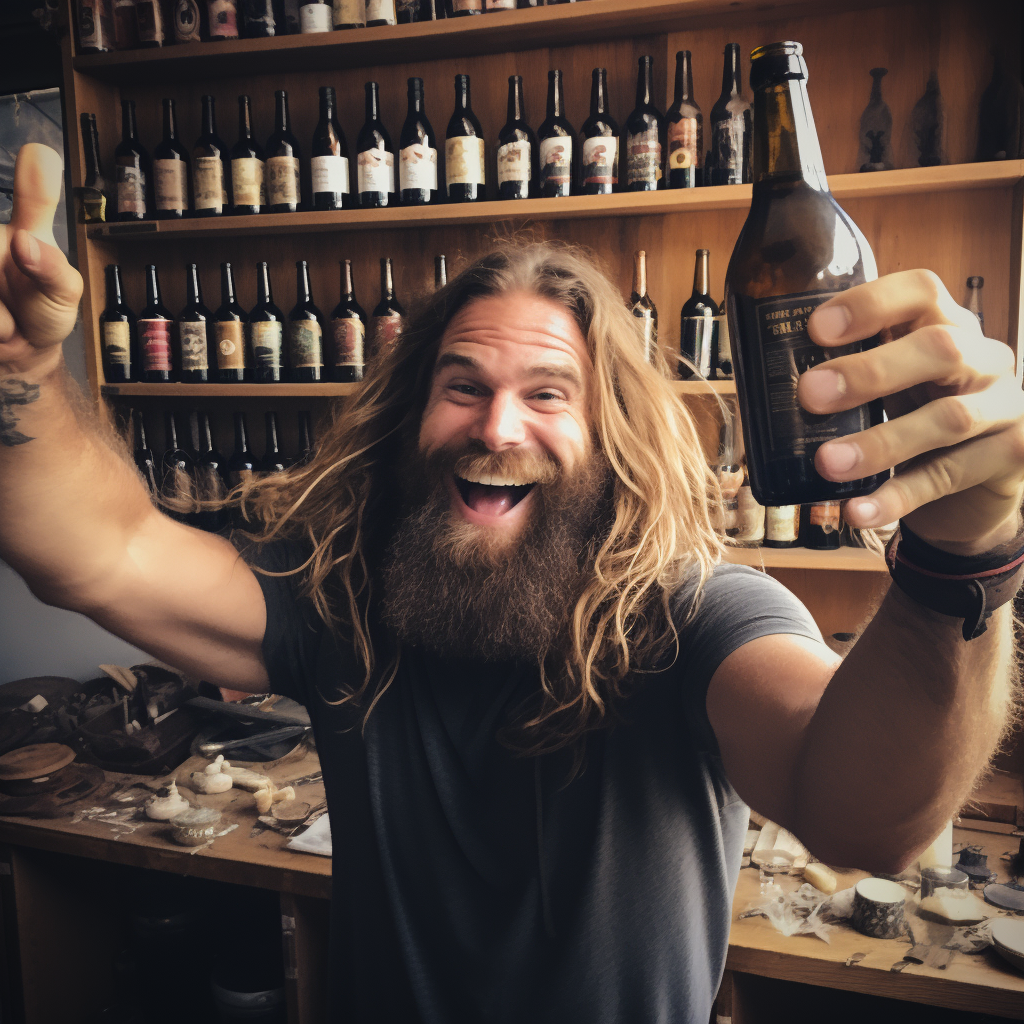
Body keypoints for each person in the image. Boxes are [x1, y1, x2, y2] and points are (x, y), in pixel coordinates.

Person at [2, 143, 1022, 1022]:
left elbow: (862, 818)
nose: (496, 428)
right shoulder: (342, 601)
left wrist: (964, 554)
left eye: (546, 394)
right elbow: (101, 551)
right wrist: (22, 377)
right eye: (463, 387)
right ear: (412, 414)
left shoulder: (699, 611)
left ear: (607, 435)